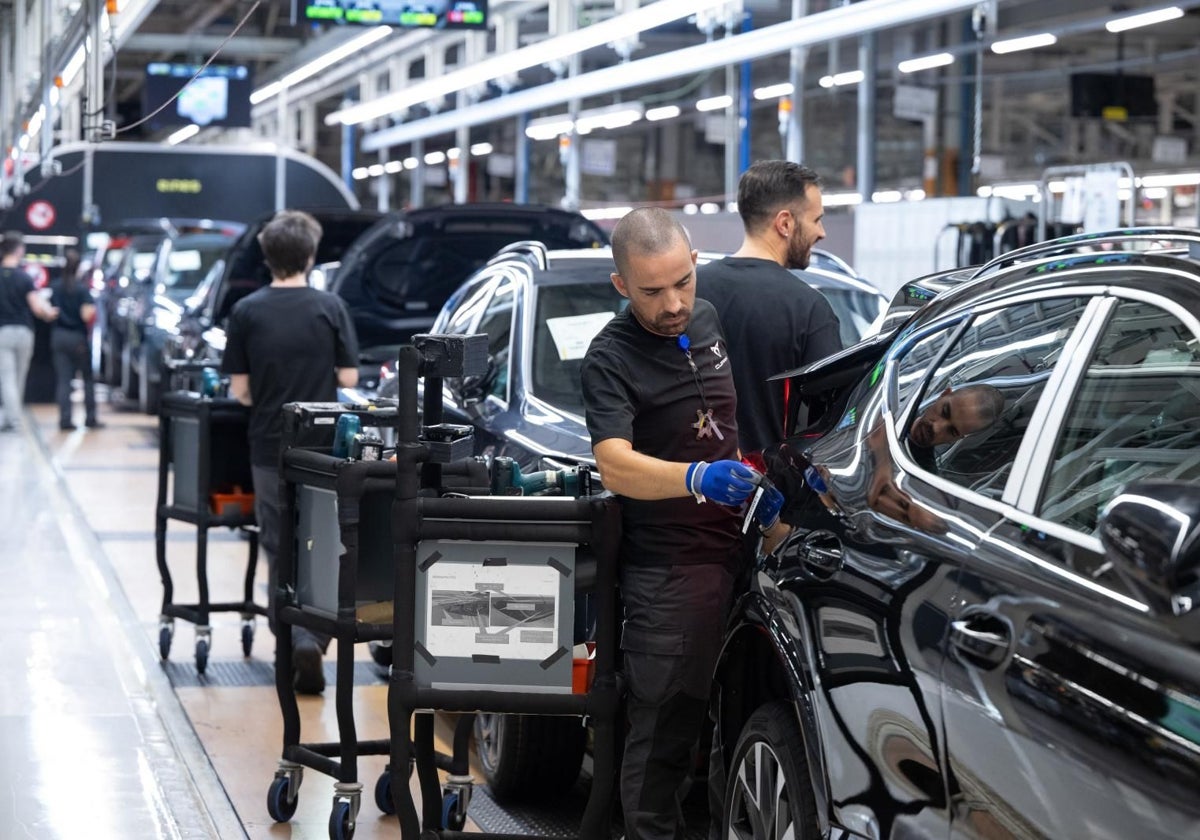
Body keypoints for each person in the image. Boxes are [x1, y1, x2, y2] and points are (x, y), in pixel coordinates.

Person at [580, 207, 785, 840]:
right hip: (670, 574)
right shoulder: (609, 359)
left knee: (733, 723)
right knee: (665, 735)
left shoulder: (707, 320)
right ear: (621, 285)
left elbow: (724, 422)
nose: (673, 304)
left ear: (695, 263)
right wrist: (694, 478)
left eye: (682, 282)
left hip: (737, 552)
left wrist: (756, 492)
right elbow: (614, 464)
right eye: (652, 291)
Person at [221, 210, 360, 694]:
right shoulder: (330, 307)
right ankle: (314, 634)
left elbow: (239, 390)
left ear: (266, 257)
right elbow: (348, 379)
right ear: (310, 255)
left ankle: (287, 640)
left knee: (279, 543)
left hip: (267, 444)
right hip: (322, 447)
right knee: (322, 541)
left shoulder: (246, 311)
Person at [696, 160, 842, 457]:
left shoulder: (692, 290)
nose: (822, 232)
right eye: (816, 220)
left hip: (688, 484)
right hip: (770, 492)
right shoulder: (810, 309)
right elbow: (831, 425)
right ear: (785, 223)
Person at [866, 384, 1005, 531]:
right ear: (944, 394)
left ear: (956, 439)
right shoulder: (895, 399)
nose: (936, 428)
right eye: (945, 412)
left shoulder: (923, 478)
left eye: (951, 431)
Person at [0, 231, 59, 431]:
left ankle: (11, 419)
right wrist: (49, 313)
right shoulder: (24, 277)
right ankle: (12, 418)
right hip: (24, 332)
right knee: (19, 377)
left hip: (2, 333)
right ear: (18, 250)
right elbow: (36, 306)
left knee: (6, 377)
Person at [49, 248, 102, 430]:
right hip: (77, 337)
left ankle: (65, 420)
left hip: (58, 336)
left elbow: (50, 311)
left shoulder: (54, 286)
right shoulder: (82, 289)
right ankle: (90, 418)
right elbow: (87, 315)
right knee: (87, 378)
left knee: (64, 380)